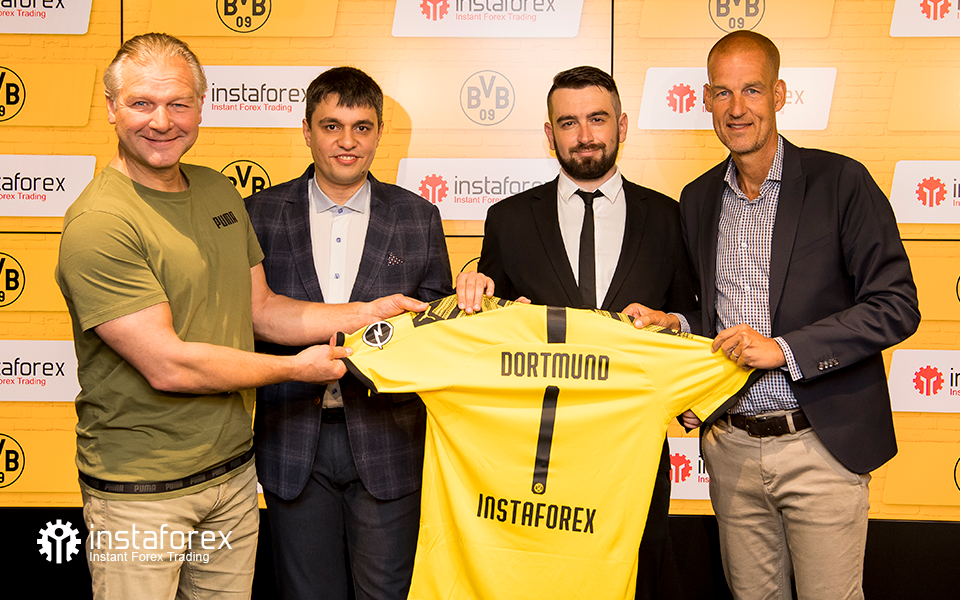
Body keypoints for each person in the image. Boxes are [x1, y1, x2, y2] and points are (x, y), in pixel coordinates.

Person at [56, 34, 425, 600]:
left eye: (178, 104)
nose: (162, 121)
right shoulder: (100, 222)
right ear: (111, 108)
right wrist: (295, 370)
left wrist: (368, 311)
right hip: (142, 489)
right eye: (142, 103)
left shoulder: (216, 191)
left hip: (230, 478)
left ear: (200, 108)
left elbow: (264, 310)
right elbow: (168, 365)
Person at [626, 31, 920, 599]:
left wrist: (783, 349)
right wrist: (676, 326)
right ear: (705, 100)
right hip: (731, 449)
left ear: (779, 94)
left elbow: (895, 305)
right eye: (722, 92)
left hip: (821, 446)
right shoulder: (698, 198)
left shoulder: (841, 182)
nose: (737, 108)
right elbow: (712, 318)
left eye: (752, 90)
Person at [456, 65, 698, 600]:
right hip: (534, 461)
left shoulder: (669, 217)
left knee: (638, 579)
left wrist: (674, 327)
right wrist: (490, 311)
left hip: (634, 452)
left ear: (622, 126)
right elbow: (489, 334)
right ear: (550, 134)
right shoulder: (508, 219)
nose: (585, 135)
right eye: (568, 122)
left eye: (598, 119)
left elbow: (692, 318)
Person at [244, 67, 453, 600]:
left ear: (378, 133)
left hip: (388, 443)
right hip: (293, 443)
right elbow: (248, 320)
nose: (347, 141)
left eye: (362, 127)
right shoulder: (258, 214)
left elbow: (435, 334)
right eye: (331, 126)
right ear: (307, 130)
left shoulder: (418, 217)